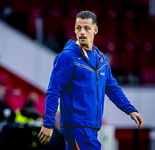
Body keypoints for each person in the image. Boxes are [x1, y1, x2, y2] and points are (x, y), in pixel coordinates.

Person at [38, 11, 144, 150]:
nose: (82, 32)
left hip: (92, 127)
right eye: (78, 27)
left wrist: (130, 110)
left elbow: (112, 88)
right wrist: (48, 123)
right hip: (77, 126)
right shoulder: (67, 57)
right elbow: (53, 91)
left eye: (86, 28)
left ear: (95, 30)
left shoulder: (102, 60)